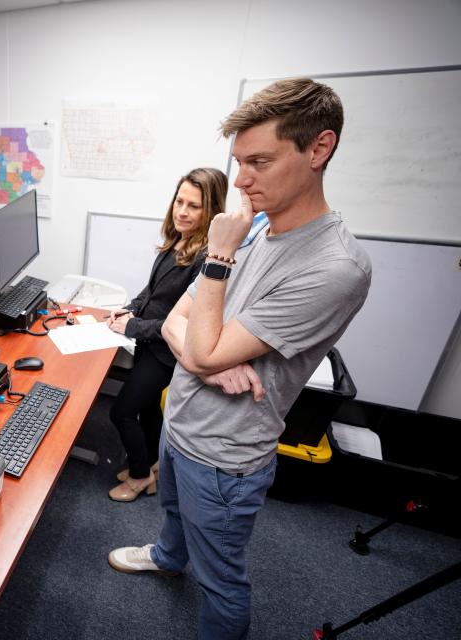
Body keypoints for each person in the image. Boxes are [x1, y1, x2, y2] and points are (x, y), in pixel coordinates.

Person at [108, 78, 372, 640]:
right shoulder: (255, 221)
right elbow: (180, 318)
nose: (243, 180)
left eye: (260, 161)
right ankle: (165, 555)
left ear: (318, 149)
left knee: (221, 579)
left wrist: (219, 262)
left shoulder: (334, 266)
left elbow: (197, 341)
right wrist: (207, 359)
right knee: (173, 517)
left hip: (224, 455)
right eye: (238, 162)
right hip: (179, 421)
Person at [106, 168, 227, 502]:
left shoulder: (206, 259)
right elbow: (153, 291)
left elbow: (181, 324)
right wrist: (128, 308)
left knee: (122, 411)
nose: (182, 211)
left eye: (194, 206)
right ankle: (152, 466)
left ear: (211, 211)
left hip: (166, 352)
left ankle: (139, 477)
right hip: (149, 343)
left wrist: (131, 326)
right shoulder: (178, 239)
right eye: (180, 201)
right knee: (146, 410)